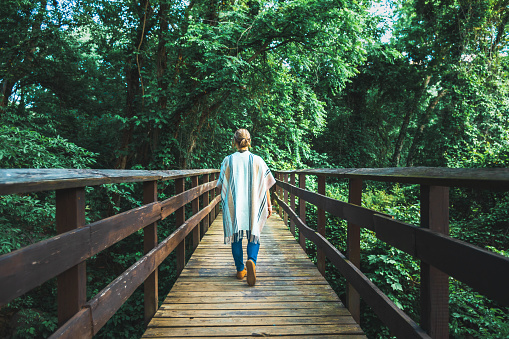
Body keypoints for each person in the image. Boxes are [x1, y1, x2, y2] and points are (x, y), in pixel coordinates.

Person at [216, 129, 276, 286]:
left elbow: (221, 185)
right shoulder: (258, 160)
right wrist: (269, 205)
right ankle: (252, 262)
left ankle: (240, 270)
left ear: (234, 141)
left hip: (235, 205)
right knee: (253, 234)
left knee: (235, 237)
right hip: (253, 204)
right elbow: (265, 186)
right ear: (249, 141)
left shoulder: (228, 160)